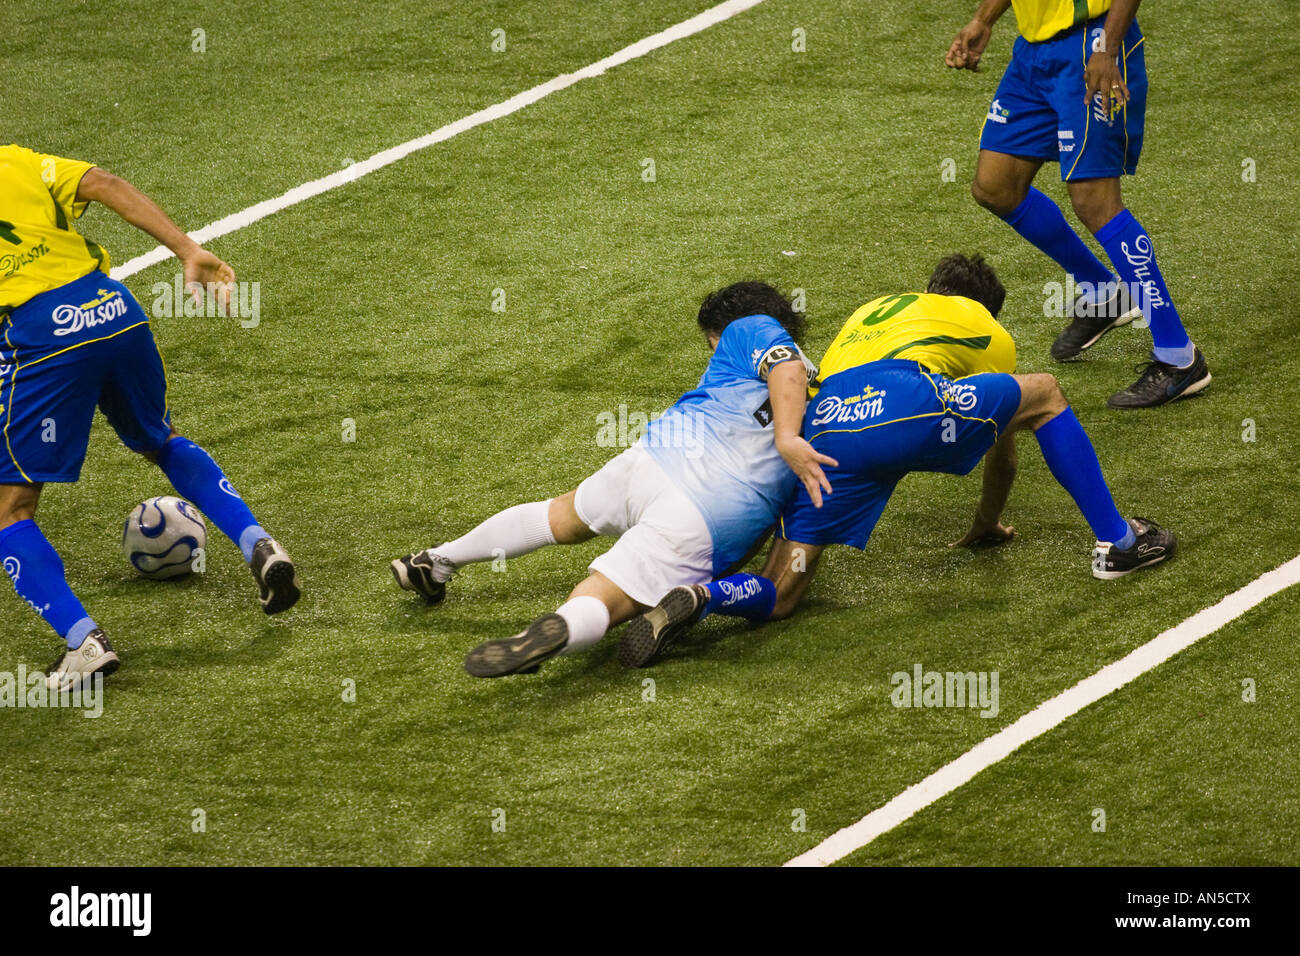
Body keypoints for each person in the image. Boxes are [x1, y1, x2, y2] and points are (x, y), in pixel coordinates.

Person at [620, 254, 1175, 668]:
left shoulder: (874, 309)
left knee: (783, 592)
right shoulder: (983, 325)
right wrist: (984, 522)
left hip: (826, 432)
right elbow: (1002, 451)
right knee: (1047, 393)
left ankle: (705, 595)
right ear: (983, 305)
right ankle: (1120, 543)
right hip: (899, 400)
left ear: (928, 287)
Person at [390, 282, 827, 678]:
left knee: (559, 514)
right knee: (606, 595)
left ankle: (436, 560)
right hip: (714, 512)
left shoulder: (752, 327)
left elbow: (784, 366)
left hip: (655, 460)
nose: (713, 356)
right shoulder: (826, 393)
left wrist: (785, 437)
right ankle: (561, 627)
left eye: (712, 344)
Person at [0, 144, 301, 691]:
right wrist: (188, 249)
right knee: (160, 439)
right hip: (113, 308)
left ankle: (82, 641)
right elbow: (107, 183)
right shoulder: (13, 160)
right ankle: (258, 541)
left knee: (10, 509)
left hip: (41, 334)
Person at [946, 0, 1210, 408]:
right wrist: (983, 19)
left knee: (1095, 202)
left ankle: (1179, 357)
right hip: (1033, 53)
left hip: (1092, 43)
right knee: (995, 186)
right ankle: (1106, 292)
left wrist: (1106, 50)